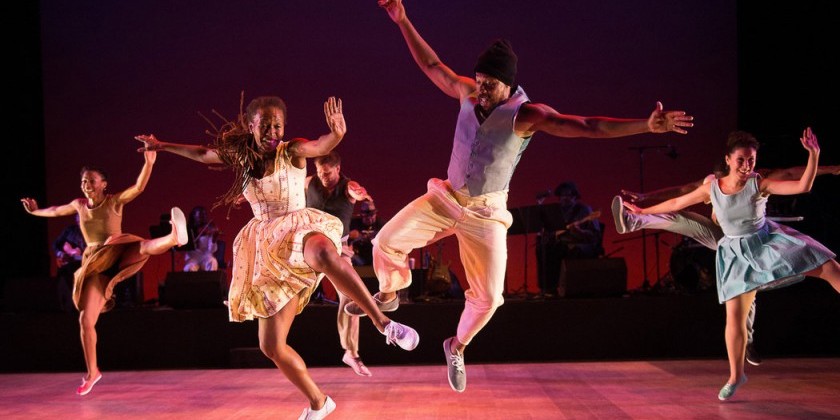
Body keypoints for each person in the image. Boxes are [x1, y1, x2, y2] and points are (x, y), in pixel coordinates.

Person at [344, 0, 694, 393]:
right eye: (478, 81)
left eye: (489, 84)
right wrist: (403, 20)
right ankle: (390, 293)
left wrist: (645, 125)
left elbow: (587, 126)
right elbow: (432, 66)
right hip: (447, 199)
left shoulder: (526, 115)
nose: (481, 89)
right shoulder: (468, 95)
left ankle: (455, 345)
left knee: (490, 298)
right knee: (385, 241)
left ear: (508, 85)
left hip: (486, 214)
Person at [135, 96, 418, 419]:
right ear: (251, 125)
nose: (272, 131)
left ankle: (385, 325)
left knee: (325, 251)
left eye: (278, 125)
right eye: (265, 125)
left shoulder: (291, 151)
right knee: (271, 346)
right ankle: (318, 402)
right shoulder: (240, 158)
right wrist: (161, 145)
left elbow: (319, 145)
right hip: (266, 249)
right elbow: (202, 154)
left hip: (298, 226)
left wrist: (337, 135)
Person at [621, 128, 839, 401]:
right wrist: (644, 209)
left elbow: (802, 185)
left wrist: (814, 155)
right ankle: (737, 376)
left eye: (751, 160)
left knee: (829, 268)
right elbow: (678, 200)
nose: (747, 165)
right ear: (728, 160)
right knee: (734, 319)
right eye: (741, 160)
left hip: (766, 245)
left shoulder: (759, 184)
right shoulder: (711, 187)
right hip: (735, 255)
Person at [20, 152, 188, 396]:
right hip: (95, 264)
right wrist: (35, 212)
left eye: (91, 181)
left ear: (104, 184)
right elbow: (56, 210)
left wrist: (148, 162)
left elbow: (138, 187)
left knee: (142, 247)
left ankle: (173, 237)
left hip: (117, 250)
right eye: (83, 181)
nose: (86, 185)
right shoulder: (79, 205)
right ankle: (93, 372)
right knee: (85, 321)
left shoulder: (114, 201)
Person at [304, 150, 375, 377]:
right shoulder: (308, 183)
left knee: (351, 299)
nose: (323, 177)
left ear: (337, 169)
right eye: (320, 173)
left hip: (338, 252)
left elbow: (357, 190)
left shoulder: (347, 186)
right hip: (309, 249)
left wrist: (362, 194)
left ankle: (351, 353)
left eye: (328, 174)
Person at [535, 181, 601, 299]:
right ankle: (547, 289)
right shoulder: (556, 210)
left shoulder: (584, 210)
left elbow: (594, 236)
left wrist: (580, 232)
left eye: (568, 195)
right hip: (562, 242)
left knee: (565, 250)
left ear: (575, 196)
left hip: (581, 243)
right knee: (542, 248)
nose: (564, 198)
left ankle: (569, 288)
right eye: (562, 195)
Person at [53, 214, 86, 312]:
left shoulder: (90, 232)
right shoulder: (70, 230)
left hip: (82, 264)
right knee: (63, 278)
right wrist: (61, 254)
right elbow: (56, 244)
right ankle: (66, 305)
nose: (80, 223)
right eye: (78, 221)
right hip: (68, 264)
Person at [183, 205, 220, 272]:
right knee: (189, 268)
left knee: (213, 261)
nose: (203, 217)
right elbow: (184, 248)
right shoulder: (188, 230)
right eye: (200, 215)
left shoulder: (209, 229)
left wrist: (214, 239)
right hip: (192, 258)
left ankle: (211, 282)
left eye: (205, 215)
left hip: (206, 257)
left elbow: (211, 250)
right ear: (194, 216)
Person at [349, 201, 384, 267]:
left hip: (376, 257)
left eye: (372, 215)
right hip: (357, 257)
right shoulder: (353, 224)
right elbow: (345, 240)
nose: (369, 218)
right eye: (366, 216)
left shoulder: (381, 224)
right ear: (362, 215)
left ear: (375, 214)